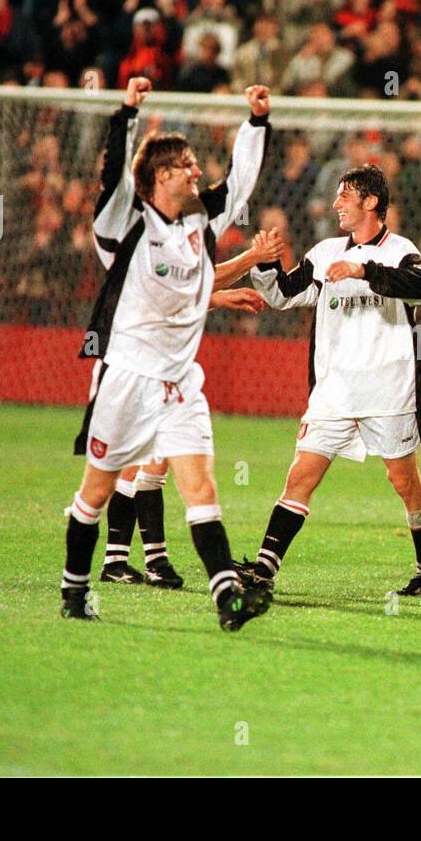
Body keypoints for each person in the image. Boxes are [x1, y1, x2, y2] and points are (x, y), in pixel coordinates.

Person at [60, 76, 272, 630]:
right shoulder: (127, 226)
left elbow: (239, 186)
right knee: (97, 491)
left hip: (180, 382)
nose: (197, 172)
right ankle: (74, 587)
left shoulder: (201, 222)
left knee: (200, 486)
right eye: (186, 166)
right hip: (126, 378)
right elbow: (113, 177)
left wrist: (255, 124)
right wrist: (127, 112)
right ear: (159, 176)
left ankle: (228, 597)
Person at [242, 165, 421, 597]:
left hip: (389, 390)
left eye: (344, 197)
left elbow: (418, 286)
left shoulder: (401, 251)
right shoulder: (325, 251)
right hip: (334, 391)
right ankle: (263, 570)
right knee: (301, 476)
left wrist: (362, 270)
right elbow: (282, 295)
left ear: (371, 202)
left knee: (404, 482)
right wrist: (263, 265)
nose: (336, 205)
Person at [92, 239, 278, 588]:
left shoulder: (161, 240)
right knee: (139, 463)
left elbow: (187, 291)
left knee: (151, 461)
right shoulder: (147, 242)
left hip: (152, 363)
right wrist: (245, 267)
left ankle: (142, 560)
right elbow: (175, 297)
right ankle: (125, 560)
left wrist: (230, 283)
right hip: (134, 365)